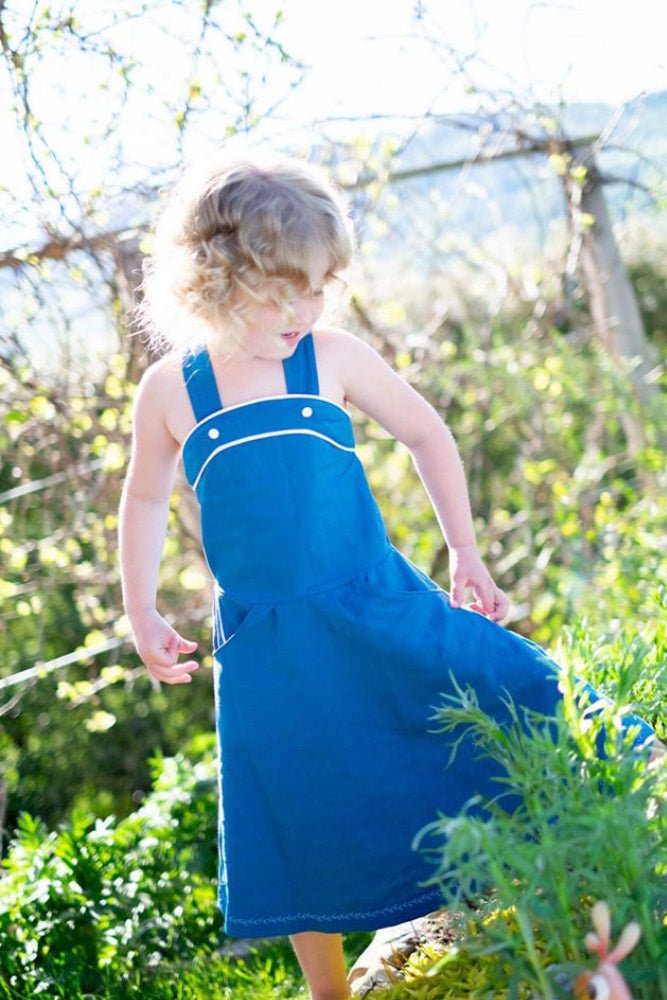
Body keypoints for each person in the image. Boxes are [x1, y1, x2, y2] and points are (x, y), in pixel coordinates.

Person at [117, 152, 660, 1000]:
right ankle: (331, 990)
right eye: (282, 289)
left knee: (508, 679)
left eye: (321, 285)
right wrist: (140, 608)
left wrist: (466, 551)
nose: (306, 308)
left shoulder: (327, 356)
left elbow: (426, 433)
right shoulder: (171, 390)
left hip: (375, 601)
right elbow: (146, 495)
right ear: (214, 280)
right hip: (266, 645)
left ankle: (634, 783)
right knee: (292, 806)